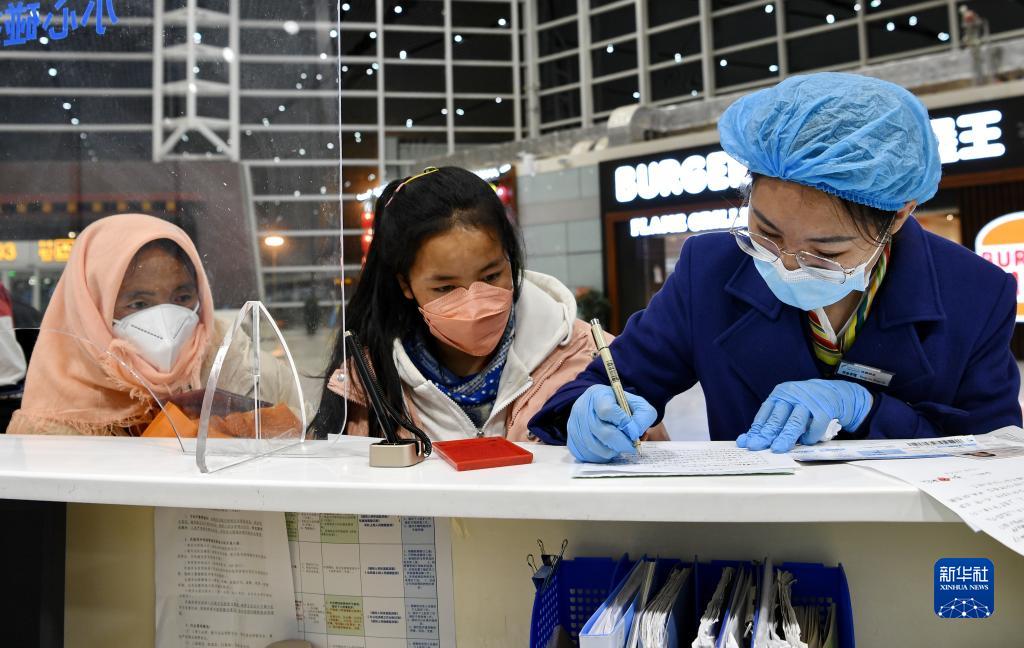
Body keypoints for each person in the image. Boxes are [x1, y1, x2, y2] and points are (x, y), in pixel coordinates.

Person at [529, 72, 1022, 462]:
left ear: (898, 215)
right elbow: (602, 385)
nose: (786, 265)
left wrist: (866, 408)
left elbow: (994, 450)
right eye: (766, 233)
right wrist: (588, 412)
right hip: (755, 532)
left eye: (826, 252)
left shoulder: (974, 293)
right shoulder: (709, 270)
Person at [310, 166, 667, 442]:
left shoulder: (591, 355)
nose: (475, 304)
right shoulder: (367, 381)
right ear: (405, 284)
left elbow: (656, 470)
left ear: (510, 260)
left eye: (491, 276)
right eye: (446, 287)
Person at [7, 213, 293, 436]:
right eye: (139, 304)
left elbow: (302, 440)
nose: (165, 321)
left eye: (182, 298)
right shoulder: (50, 422)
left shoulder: (244, 369)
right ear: (92, 307)